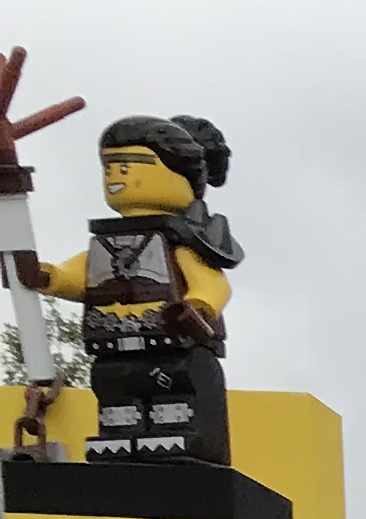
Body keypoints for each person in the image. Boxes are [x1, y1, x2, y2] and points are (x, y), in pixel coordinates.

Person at [10, 112, 237, 464]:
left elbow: (212, 284)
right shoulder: (106, 244)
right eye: (110, 167)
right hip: (111, 345)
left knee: (174, 398)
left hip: (170, 346)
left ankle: (175, 439)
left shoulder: (182, 242)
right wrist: (45, 276)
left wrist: (197, 307)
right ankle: (118, 439)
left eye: (129, 166)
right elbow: (77, 276)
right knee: (116, 397)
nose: (116, 175)